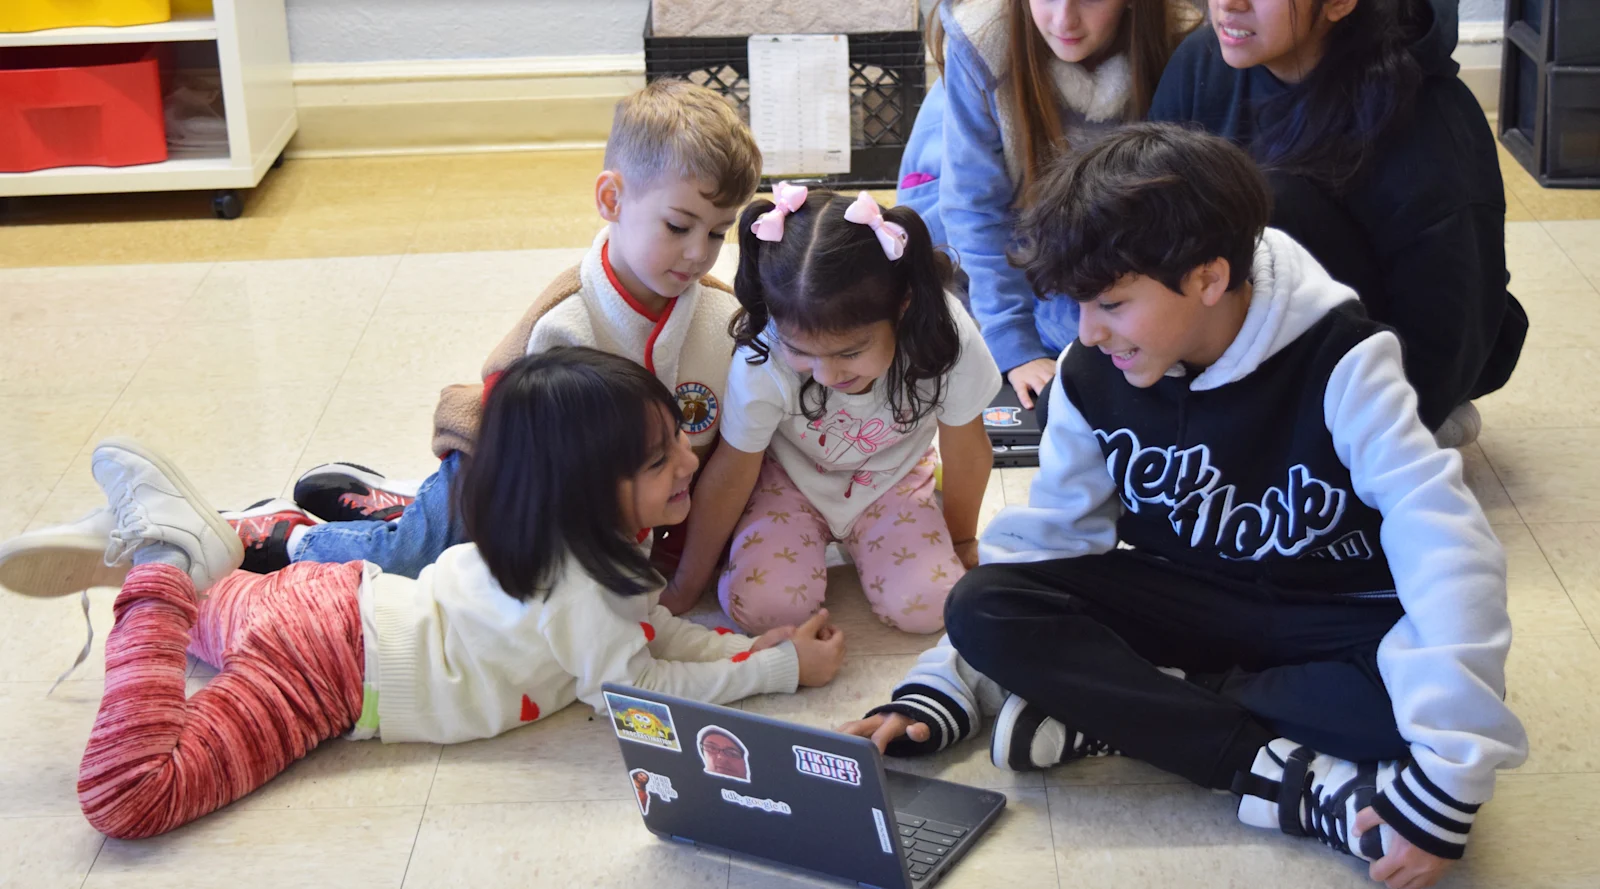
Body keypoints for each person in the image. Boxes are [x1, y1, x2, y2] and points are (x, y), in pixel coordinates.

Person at [842, 125, 1526, 889]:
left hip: (1332, 618)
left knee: (1413, 715)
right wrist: (943, 683)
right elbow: (1042, 546)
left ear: (1207, 278)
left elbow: (1444, 542)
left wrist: (1450, 773)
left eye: (1111, 304)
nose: (1088, 332)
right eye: (1079, 307)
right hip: (1189, 604)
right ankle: (1276, 776)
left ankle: (1126, 713)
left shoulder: (1345, 361)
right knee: (986, 605)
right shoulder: (1090, 373)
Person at [14, 348, 844, 840]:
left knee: (209, 604)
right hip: (327, 672)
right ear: (589, 488)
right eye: (661, 460)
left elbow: (651, 629)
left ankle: (166, 557)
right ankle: (162, 562)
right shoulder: (584, 583)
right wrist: (772, 676)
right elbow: (633, 688)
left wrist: (747, 649)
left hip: (332, 605)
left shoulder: (580, 544)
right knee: (130, 798)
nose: (690, 464)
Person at [0, 79, 762, 595]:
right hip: (500, 469)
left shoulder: (710, 318)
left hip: (601, 496)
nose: (698, 253)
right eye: (678, 226)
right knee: (414, 560)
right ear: (611, 198)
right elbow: (536, 466)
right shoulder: (568, 321)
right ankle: (265, 534)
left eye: (717, 232)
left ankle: (374, 496)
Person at [1149, 0, 1526, 448]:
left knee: (1271, 203)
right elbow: (1148, 233)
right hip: (1247, 347)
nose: (1228, 5)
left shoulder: (1428, 121)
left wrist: (1392, 427)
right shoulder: (1202, 61)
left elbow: (1450, 330)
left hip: (1397, 352)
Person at [660, 186, 1003, 634]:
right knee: (764, 610)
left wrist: (960, 539)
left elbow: (967, 449)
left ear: (902, 307)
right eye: (803, 352)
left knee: (933, 605)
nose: (826, 375)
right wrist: (689, 580)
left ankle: (906, 522)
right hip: (788, 484)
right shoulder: (763, 350)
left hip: (893, 481)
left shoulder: (946, 332)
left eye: (850, 351)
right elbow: (733, 467)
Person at [896, 0, 1196, 408]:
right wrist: (1013, 342)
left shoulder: (1185, 41)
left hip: (1097, 232)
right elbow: (975, 209)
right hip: (986, 232)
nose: (1063, 19)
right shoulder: (982, 42)